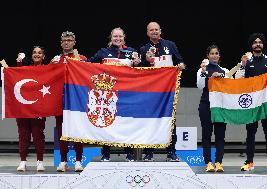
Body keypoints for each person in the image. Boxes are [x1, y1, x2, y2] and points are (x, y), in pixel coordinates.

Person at [87, 27, 140, 162]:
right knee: (108, 123)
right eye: (115, 36)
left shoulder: (131, 52)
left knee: (126, 123)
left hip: (126, 95)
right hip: (108, 95)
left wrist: (138, 63)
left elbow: (140, 71)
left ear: (124, 37)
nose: (117, 39)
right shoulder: (103, 52)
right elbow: (88, 64)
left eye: (120, 36)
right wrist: (75, 62)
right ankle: (106, 153)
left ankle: (129, 152)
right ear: (111, 38)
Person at [236, 33, 267, 172]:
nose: (258, 44)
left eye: (260, 42)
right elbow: (238, 80)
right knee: (250, 134)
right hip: (251, 105)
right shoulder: (247, 62)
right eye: (255, 42)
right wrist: (243, 65)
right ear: (251, 45)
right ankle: (249, 162)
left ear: (263, 45)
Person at [139, 21, 186, 162]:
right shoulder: (143, 49)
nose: (154, 32)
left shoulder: (170, 45)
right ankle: (148, 153)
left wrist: (181, 65)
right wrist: (146, 61)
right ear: (147, 33)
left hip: (168, 91)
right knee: (150, 122)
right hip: (151, 92)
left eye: (156, 29)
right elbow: (139, 71)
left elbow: (180, 61)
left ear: (160, 31)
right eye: (151, 30)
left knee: (171, 121)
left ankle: (171, 152)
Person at [51, 31, 86, 172]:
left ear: (74, 42)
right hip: (61, 101)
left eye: (69, 40)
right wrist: (51, 66)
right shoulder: (55, 59)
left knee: (77, 131)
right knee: (62, 132)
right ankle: (63, 161)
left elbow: (87, 75)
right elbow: (47, 79)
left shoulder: (81, 57)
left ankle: (78, 161)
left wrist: (80, 63)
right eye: (64, 40)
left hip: (76, 102)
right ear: (61, 43)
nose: (67, 42)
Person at [196, 45, 230, 172]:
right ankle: (208, 162)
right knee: (206, 135)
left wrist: (222, 78)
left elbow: (231, 87)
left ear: (219, 56)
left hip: (221, 106)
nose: (214, 55)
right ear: (208, 56)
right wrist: (205, 72)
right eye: (212, 53)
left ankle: (219, 162)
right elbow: (199, 86)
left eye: (216, 53)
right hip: (206, 105)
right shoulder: (202, 70)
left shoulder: (225, 71)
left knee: (220, 135)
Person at [14, 46, 47, 172]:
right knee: (23, 135)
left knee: (38, 135)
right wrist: (18, 62)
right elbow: (15, 76)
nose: (36, 54)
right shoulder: (25, 68)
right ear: (31, 55)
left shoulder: (47, 69)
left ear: (43, 56)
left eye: (39, 53)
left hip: (38, 107)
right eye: (34, 52)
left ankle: (40, 161)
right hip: (23, 107)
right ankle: (23, 161)